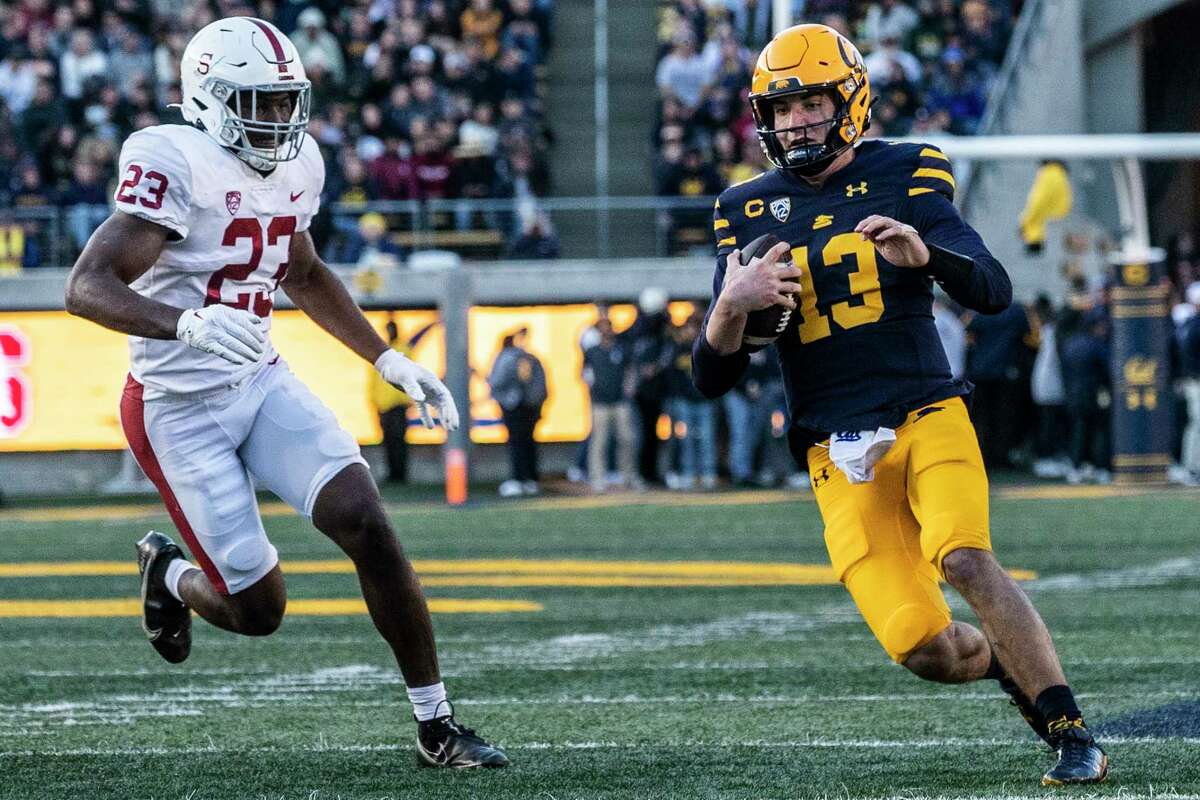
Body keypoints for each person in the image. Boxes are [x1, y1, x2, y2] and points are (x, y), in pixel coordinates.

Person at [62, 17, 507, 769]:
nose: (276, 120)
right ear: (206, 98)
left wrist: (387, 359)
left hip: (260, 379)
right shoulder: (175, 160)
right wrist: (185, 324)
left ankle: (437, 724)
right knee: (259, 611)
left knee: (366, 521)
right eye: (256, 102)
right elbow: (86, 286)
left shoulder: (299, 165)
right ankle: (169, 572)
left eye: (283, 102)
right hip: (177, 407)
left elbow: (302, 272)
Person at [690, 24, 1107, 786]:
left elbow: (993, 288)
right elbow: (710, 378)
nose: (795, 123)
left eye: (810, 103)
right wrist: (728, 308)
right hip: (832, 448)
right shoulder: (743, 208)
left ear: (849, 101)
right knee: (925, 645)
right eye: (780, 110)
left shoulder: (907, 168)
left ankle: (1071, 730)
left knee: (965, 556)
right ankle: (1015, 675)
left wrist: (928, 256)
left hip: (926, 411)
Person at [488, 328, 547, 497]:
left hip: (514, 406)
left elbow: (496, 381)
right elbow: (542, 387)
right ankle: (531, 479)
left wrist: (503, 398)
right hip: (531, 406)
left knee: (517, 443)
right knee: (528, 442)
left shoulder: (506, 357)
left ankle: (518, 478)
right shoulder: (532, 358)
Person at [369, 320, 414, 484]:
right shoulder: (379, 352)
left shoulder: (403, 350)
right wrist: (373, 399)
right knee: (388, 441)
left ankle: (401, 473)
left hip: (398, 405)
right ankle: (392, 473)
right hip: (383, 404)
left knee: (399, 440)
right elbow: (374, 378)